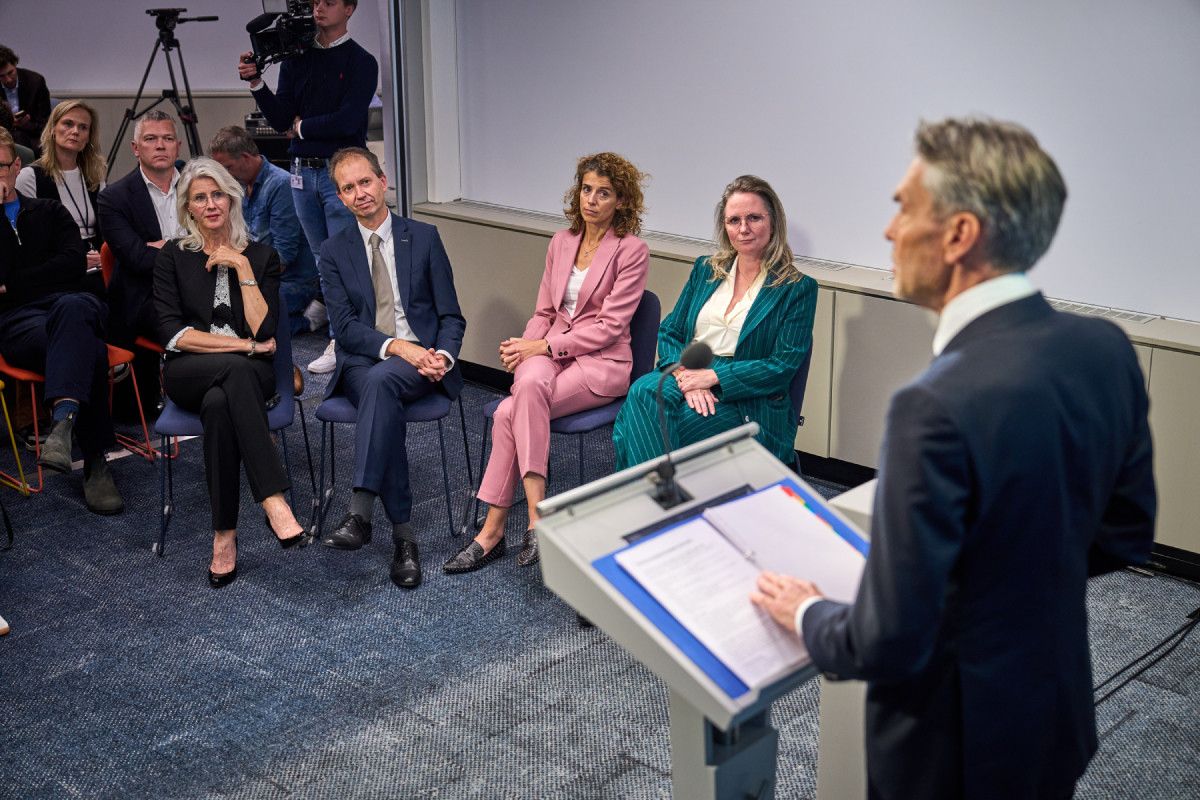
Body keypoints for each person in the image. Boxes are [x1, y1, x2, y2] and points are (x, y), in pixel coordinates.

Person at [751, 118, 1157, 800]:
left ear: (960, 234)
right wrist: (1008, 588)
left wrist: (810, 613)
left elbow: (886, 643)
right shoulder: (1105, 349)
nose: (889, 231)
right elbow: (1126, 531)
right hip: (1049, 717)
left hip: (950, 757)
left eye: (903, 207)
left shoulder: (931, 406)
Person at [443, 153, 649, 574]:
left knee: (507, 411)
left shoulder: (632, 251)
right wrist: (526, 344)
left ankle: (491, 531)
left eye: (603, 193)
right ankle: (538, 520)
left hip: (600, 364)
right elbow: (544, 311)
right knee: (529, 387)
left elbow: (610, 327)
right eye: (587, 189)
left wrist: (543, 349)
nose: (591, 200)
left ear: (622, 202)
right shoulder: (561, 241)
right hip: (551, 351)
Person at [154, 158, 308, 589]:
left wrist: (241, 269)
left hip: (246, 378)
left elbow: (266, 328)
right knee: (235, 369)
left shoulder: (261, 257)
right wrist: (243, 346)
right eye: (199, 198)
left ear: (231, 199)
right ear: (188, 209)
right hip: (187, 373)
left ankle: (224, 536)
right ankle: (274, 500)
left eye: (217, 194)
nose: (210, 204)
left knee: (223, 400)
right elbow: (174, 334)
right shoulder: (172, 257)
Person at [317, 147, 465, 590]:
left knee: (383, 390)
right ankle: (404, 539)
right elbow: (344, 328)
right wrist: (396, 346)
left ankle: (361, 513)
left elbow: (451, 316)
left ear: (383, 181)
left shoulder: (423, 236)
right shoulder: (332, 251)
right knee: (383, 392)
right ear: (341, 198)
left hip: (422, 360)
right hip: (368, 361)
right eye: (348, 188)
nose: (359, 194)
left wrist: (444, 356)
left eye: (365, 182)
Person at [612, 175, 817, 470]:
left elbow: (781, 367)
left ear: (773, 222)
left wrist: (712, 377)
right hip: (689, 370)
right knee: (645, 392)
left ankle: (650, 505)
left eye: (754, 218)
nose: (743, 229)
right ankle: (663, 506)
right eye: (734, 220)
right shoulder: (706, 269)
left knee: (650, 426)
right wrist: (687, 376)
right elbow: (671, 331)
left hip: (747, 399)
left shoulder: (797, 288)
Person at [237, 0, 379, 376]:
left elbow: (349, 120)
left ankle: (348, 339)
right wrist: (256, 84)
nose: (319, 8)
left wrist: (302, 128)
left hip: (340, 174)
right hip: (302, 172)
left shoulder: (360, 61)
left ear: (349, 9)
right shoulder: (296, 59)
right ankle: (340, 337)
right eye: (315, 2)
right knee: (323, 260)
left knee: (347, 259)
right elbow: (281, 116)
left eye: (329, 2)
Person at [0, 127, 123, 514]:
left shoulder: (50, 212)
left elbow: (75, 263)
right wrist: (39, 276)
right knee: (88, 345)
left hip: (73, 303)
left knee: (76, 312)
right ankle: (95, 461)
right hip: (17, 322)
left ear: (15, 166)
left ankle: (63, 425)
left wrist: (12, 283)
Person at [209, 126, 320, 337]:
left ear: (245, 157)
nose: (224, 175)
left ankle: (309, 321)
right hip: (257, 273)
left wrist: (246, 282)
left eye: (228, 167)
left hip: (291, 281)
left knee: (248, 321)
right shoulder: (239, 186)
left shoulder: (281, 185)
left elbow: (284, 256)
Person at [98, 110, 184, 346]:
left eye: (167, 139)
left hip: (204, 285)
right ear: (136, 148)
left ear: (178, 146)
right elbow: (138, 258)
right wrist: (191, 250)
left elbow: (220, 240)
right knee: (200, 326)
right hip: (148, 296)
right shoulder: (114, 198)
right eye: (150, 139)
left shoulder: (199, 184)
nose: (160, 146)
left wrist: (165, 247)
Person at [16, 100, 107, 273]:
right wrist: (73, 261)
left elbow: (106, 228)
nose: (75, 132)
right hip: (55, 267)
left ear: (88, 137)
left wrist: (104, 256)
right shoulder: (29, 177)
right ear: (52, 129)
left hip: (97, 264)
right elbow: (28, 241)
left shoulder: (95, 176)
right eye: (68, 124)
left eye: (83, 127)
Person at [0, 46, 50, 153]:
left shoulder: (36, 82)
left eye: (10, 73)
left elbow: (46, 124)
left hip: (32, 137)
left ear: (15, 64)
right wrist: (9, 122)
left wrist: (26, 125)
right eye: (2, 76)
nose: (8, 80)